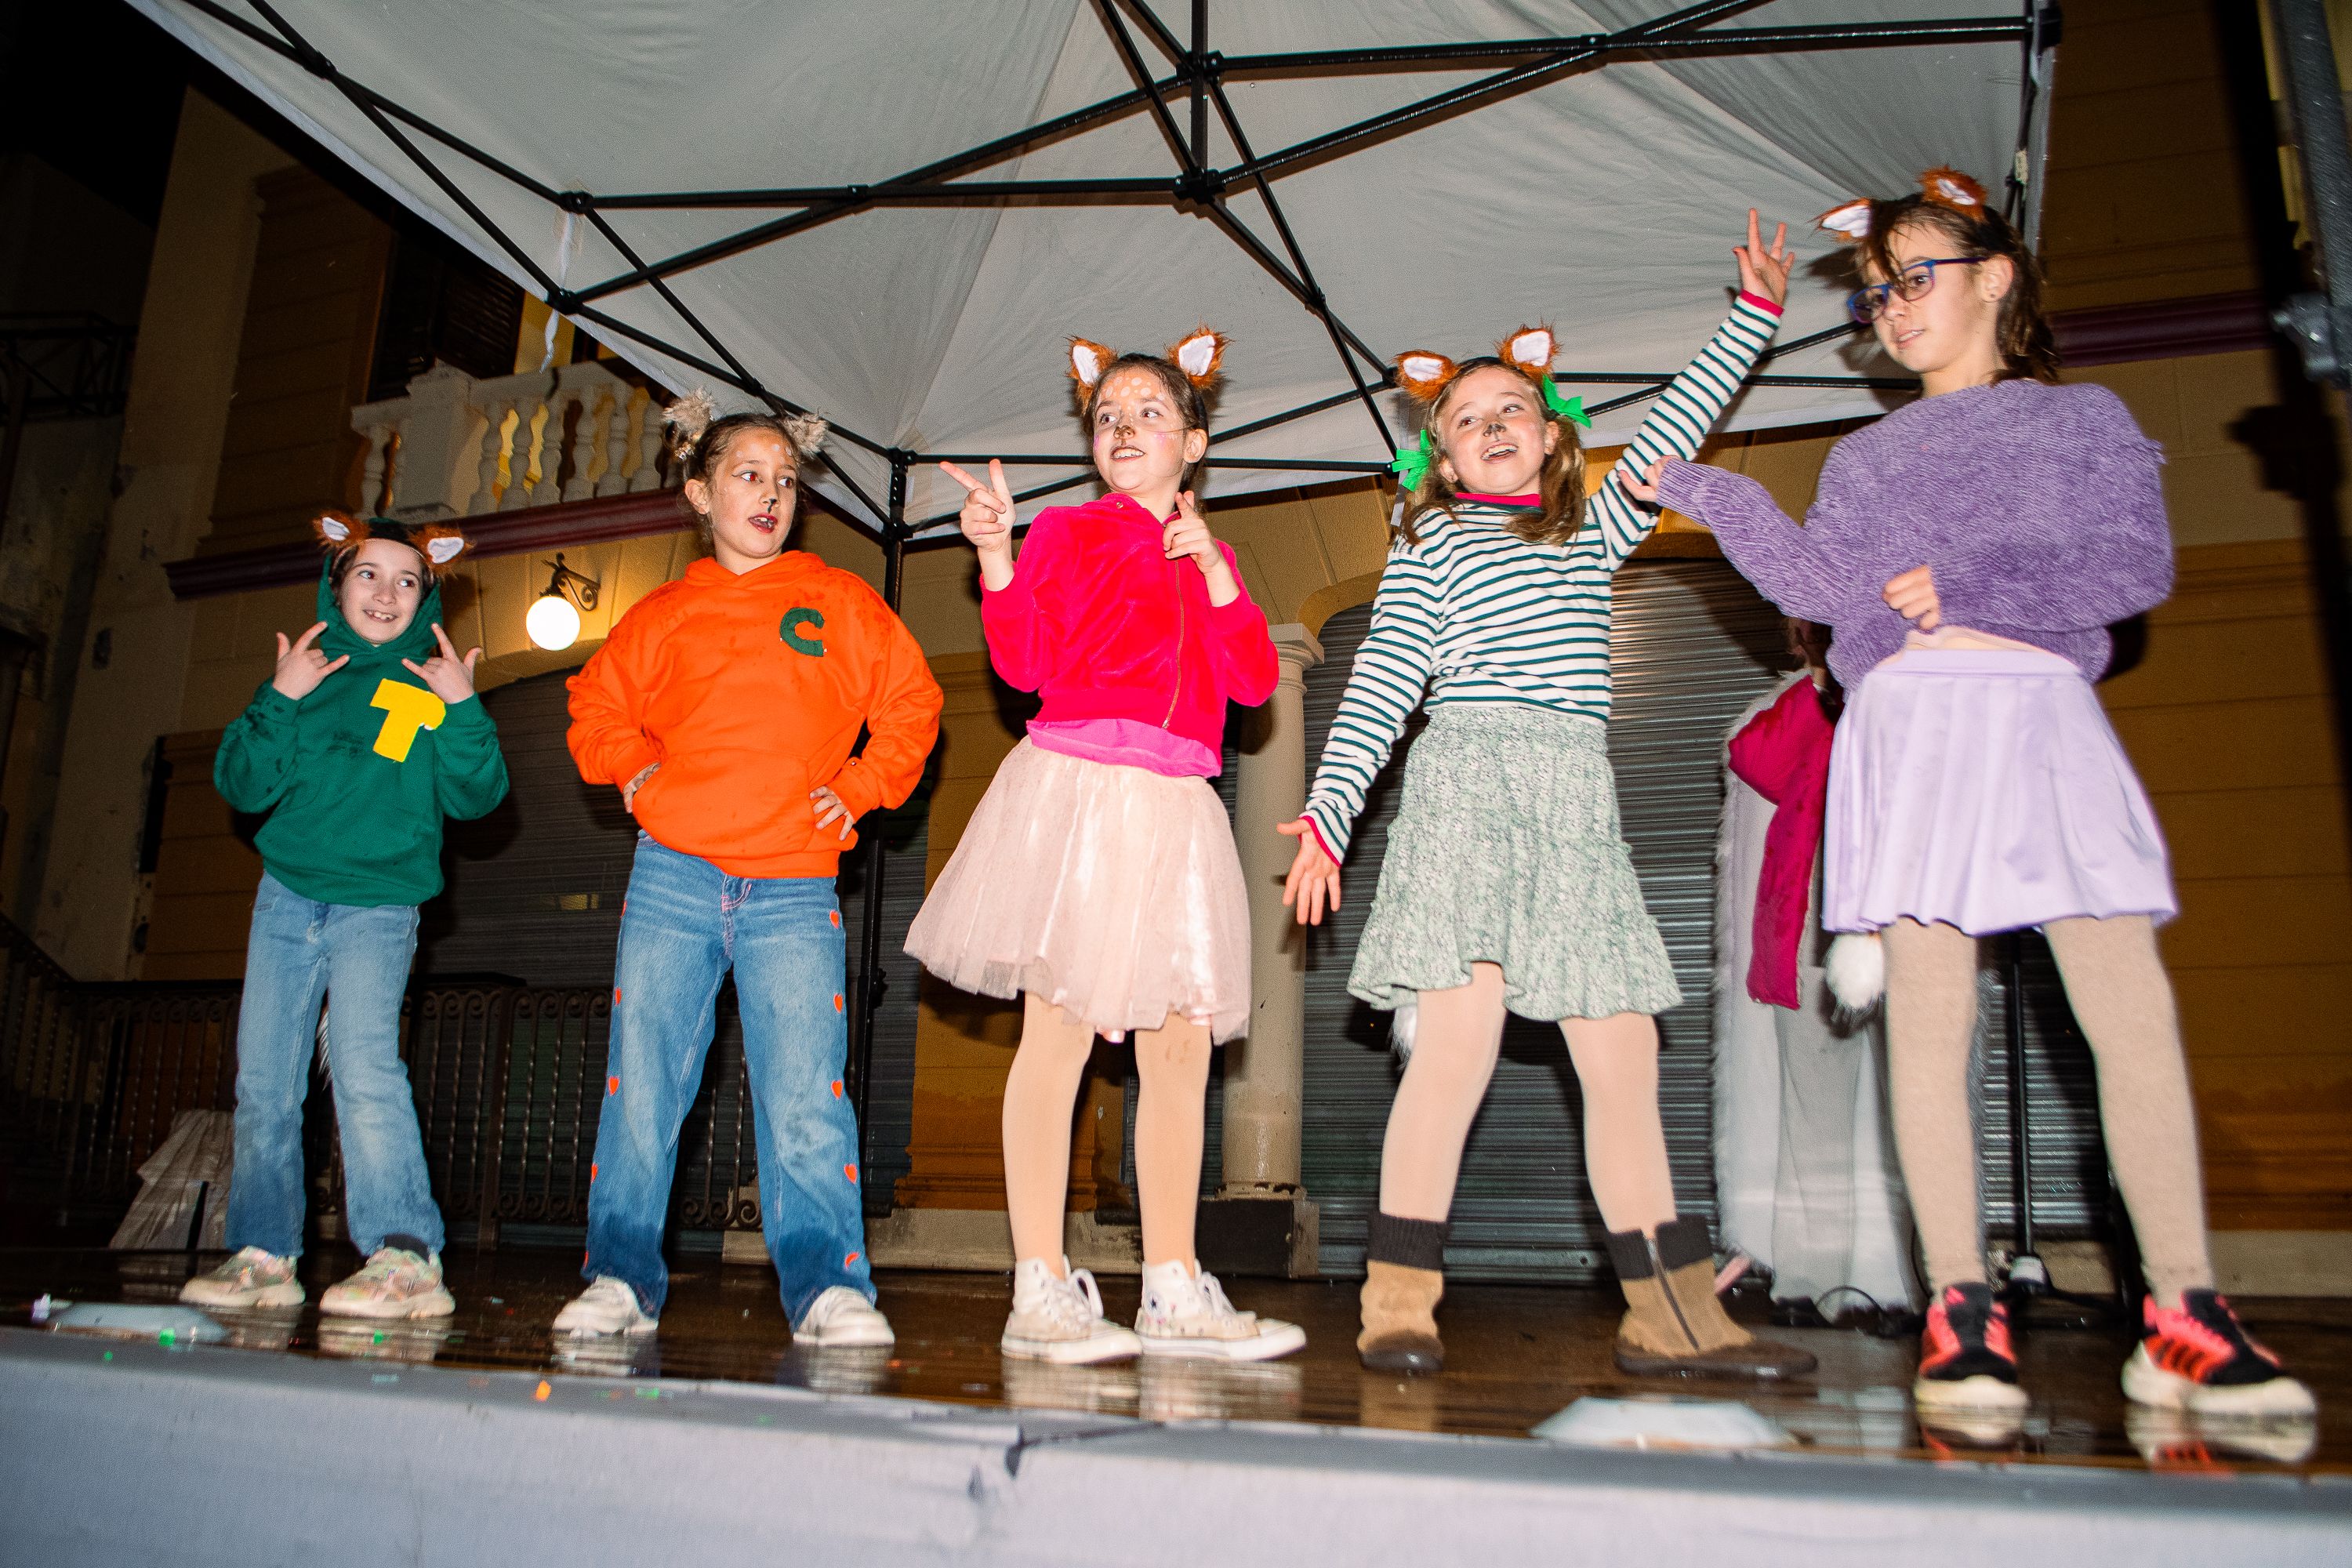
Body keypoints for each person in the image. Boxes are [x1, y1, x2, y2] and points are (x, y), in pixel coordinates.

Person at [1628, 167, 2314, 1419]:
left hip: (2036, 712)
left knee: (2128, 1005)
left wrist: (1973, 582)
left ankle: (2182, 1309)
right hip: (1908, 729)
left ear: (1996, 276)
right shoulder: (1865, 452)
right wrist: (1708, 492)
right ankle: (1960, 1309)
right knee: (1927, 1025)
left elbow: (2132, 563)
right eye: (1876, 292)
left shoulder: (2084, 419)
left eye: (1914, 278)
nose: (1889, 307)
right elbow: (1829, 593)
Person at [1280, 212, 1815, 1382]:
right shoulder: (1430, 552)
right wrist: (1326, 815)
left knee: (1622, 1054)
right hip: (1468, 790)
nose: (1489, 426)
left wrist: (1754, 320)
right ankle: (1398, 1298)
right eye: (1464, 420)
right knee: (1454, 1053)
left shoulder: (1593, 532)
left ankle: (1671, 1314)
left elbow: (1675, 426)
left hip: (1573, 806)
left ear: (1552, 432)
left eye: (1509, 408)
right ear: (1444, 459)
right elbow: (1376, 689)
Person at [910, 329, 1300, 1365]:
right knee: (1062, 1038)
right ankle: (1038, 1283)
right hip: (1080, 797)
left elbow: (1256, 683)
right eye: (1107, 416)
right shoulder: (1068, 535)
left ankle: (1171, 1285)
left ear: (1196, 443)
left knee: (1180, 1054)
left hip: (1176, 806)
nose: (1124, 427)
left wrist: (1216, 573)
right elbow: (1025, 660)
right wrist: (995, 555)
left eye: (1149, 413)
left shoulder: (1210, 555)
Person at [556, 397, 942, 1348]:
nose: (770, 493)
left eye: (783, 478)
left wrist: (856, 788)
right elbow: (593, 705)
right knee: (642, 1083)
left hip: (795, 885)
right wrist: (632, 768)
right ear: (700, 491)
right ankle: (618, 1276)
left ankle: (827, 1287)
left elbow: (913, 704)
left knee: (807, 1088)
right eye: (746, 474)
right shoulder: (660, 613)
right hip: (673, 876)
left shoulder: (842, 600)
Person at [183, 514, 506, 1319]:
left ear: (428, 598)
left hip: (380, 903)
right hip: (287, 895)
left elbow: (479, 796)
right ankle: (263, 1254)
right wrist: (279, 695)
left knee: (366, 1072)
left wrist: (464, 708)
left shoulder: (433, 684)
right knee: (264, 1077)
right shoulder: (308, 676)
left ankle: (405, 1257)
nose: (387, 591)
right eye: (368, 574)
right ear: (336, 585)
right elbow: (242, 785)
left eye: (407, 579)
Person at [1712, 621, 1917, 1325]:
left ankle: (1901, 1280)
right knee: (1823, 1110)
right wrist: (1826, 683)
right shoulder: (1804, 703)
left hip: (1907, 920)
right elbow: (1755, 756)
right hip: (1817, 931)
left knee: (1905, 1109)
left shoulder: (1913, 691)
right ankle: (1810, 1278)